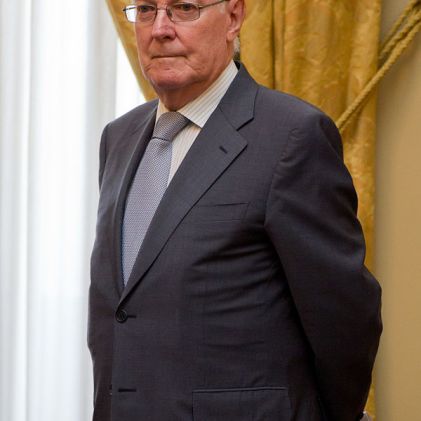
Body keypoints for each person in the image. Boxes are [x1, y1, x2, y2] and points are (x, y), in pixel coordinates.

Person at [88, 1, 382, 420]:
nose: (160, 29)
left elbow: (345, 320)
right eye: (148, 9)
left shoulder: (292, 135)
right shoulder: (118, 138)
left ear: (233, 17)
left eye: (184, 8)